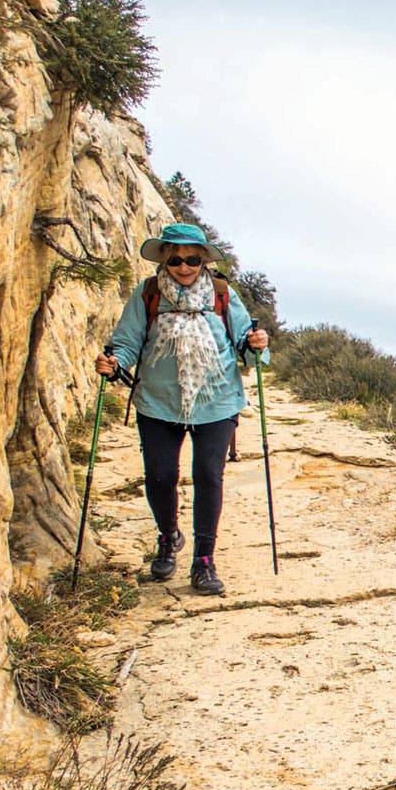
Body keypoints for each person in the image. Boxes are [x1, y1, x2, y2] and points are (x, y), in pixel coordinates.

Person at [96, 223, 269, 596]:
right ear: (164, 258)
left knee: (209, 475)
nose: (184, 266)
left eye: (192, 258)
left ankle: (204, 560)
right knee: (159, 477)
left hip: (217, 400)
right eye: (175, 258)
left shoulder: (222, 294)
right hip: (158, 401)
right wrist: (114, 363)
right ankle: (169, 535)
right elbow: (127, 343)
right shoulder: (147, 295)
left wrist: (256, 343)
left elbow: (244, 341)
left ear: (204, 260)